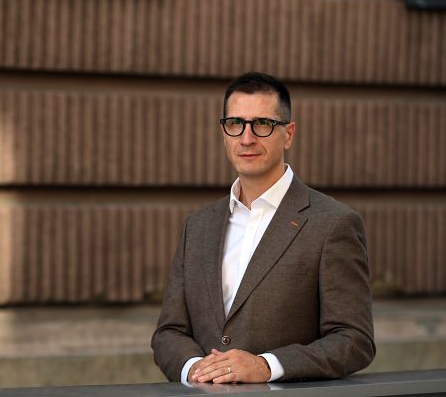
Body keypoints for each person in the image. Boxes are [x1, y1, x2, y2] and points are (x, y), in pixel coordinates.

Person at [151, 72, 375, 384]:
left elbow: (354, 340)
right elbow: (168, 332)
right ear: (224, 132)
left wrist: (266, 366)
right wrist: (196, 369)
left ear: (288, 134)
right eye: (235, 124)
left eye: (262, 124)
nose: (246, 138)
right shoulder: (198, 226)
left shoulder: (333, 223)